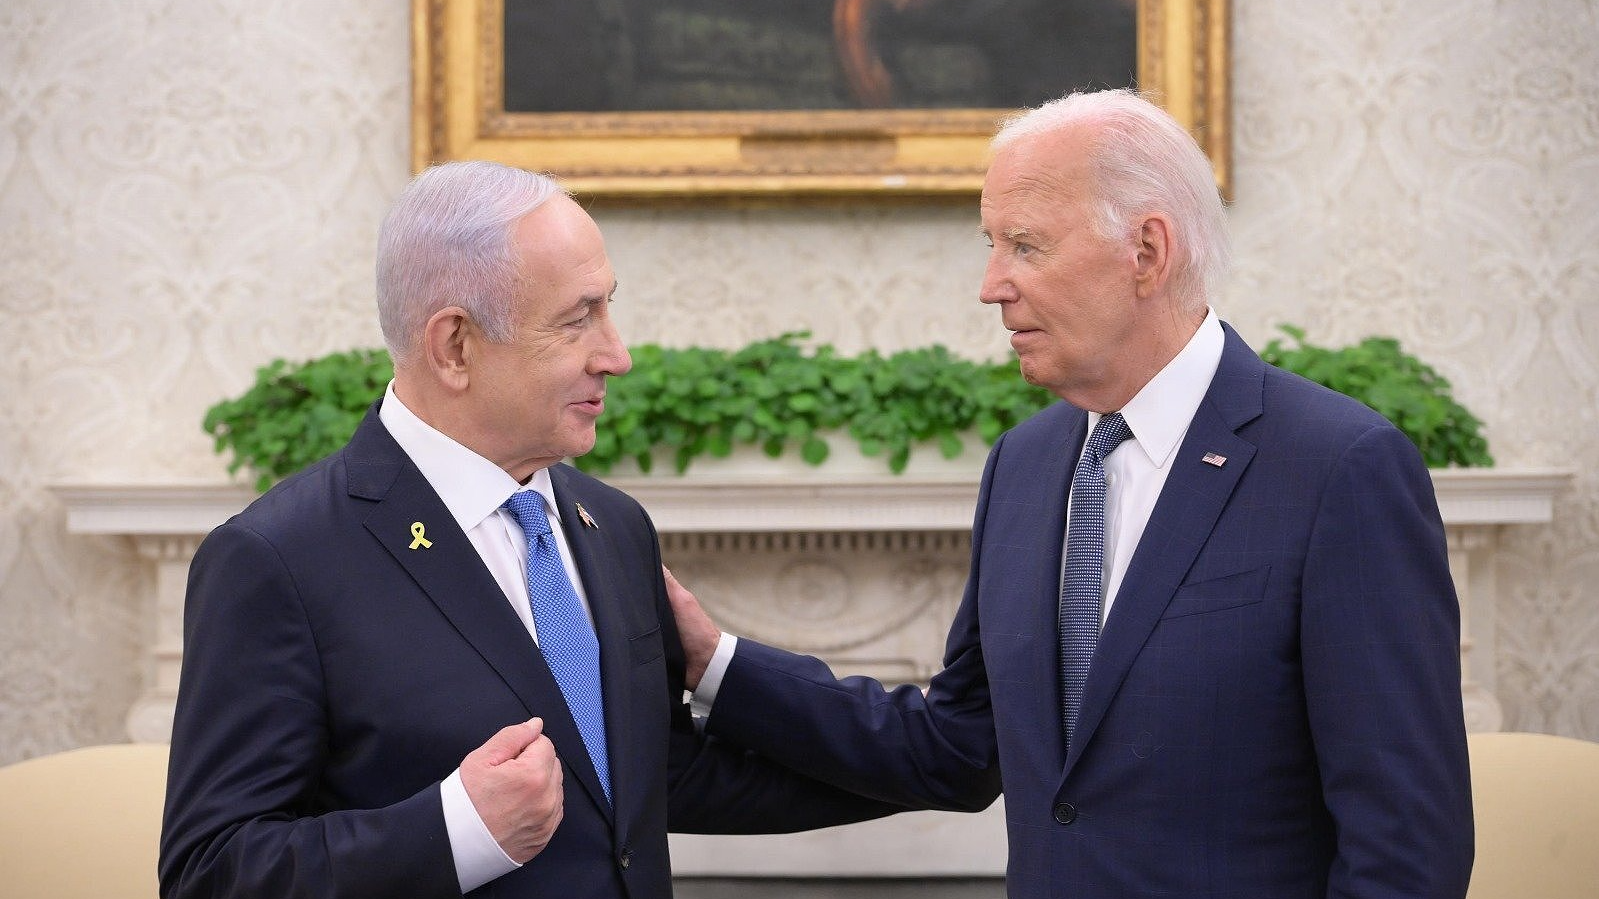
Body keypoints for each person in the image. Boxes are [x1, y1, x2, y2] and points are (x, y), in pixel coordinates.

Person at [666, 89, 1475, 897]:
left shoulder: (1339, 468)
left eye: (1025, 246)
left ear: (1146, 253)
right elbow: (957, 744)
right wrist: (716, 661)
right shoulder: (1023, 464)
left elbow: (1405, 849)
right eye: (991, 244)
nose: (990, 284)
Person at [159, 161, 898, 899]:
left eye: (608, 309)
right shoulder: (277, 559)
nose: (617, 355)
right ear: (454, 346)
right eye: (577, 319)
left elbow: (652, 775)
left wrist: (946, 755)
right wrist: (456, 831)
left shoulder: (611, 524)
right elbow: (210, 871)